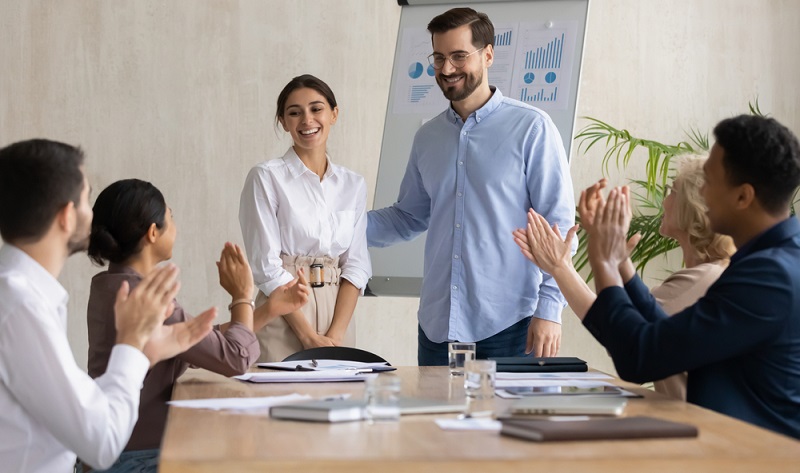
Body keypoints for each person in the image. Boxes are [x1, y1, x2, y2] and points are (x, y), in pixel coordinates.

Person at [367, 7, 575, 364]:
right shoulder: (427, 137)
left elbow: (559, 225)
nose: (447, 69)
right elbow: (408, 217)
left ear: (488, 54)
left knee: (508, 423)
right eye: (439, 57)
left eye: (459, 56)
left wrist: (550, 308)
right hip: (436, 329)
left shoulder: (532, 129)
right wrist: (333, 226)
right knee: (436, 421)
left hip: (511, 327)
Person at [0, 139, 215, 473]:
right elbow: (101, 442)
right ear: (66, 216)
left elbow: (78, 409)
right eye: (87, 198)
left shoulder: (21, 293)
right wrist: (131, 343)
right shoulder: (20, 305)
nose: (93, 214)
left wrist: (144, 354)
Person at [579, 115, 800, 439]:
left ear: (743, 197)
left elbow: (640, 358)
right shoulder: (776, 261)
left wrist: (604, 262)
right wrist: (619, 262)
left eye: (708, 181)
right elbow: (667, 337)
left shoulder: (770, 278)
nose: (701, 194)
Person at [84, 179, 309, 472]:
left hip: (113, 453)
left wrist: (268, 310)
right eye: (171, 216)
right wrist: (242, 296)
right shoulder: (145, 297)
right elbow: (236, 358)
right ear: (153, 233)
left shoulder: (110, 285)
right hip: (138, 460)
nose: (175, 225)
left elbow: (192, 341)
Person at [513, 156, 735, 399]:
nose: (664, 200)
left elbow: (619, 334)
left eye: (672, 190)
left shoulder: (697, 282)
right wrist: (610, 256)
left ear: (694, 206)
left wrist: (561, 267)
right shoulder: (712, 273)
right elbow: (624, 314)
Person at [239, 74, 371, 362]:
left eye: (316, 109)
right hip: (285, 317)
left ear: (334, 114)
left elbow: (357, 265)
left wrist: (336, 336)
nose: (307, 120)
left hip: (339, 317)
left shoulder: (353, 184)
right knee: (279, 404)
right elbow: (266, 267)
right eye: (294, 113)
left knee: (339, 404)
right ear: (283, 122)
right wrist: (307, 335)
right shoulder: (266, 177)